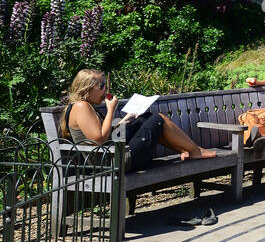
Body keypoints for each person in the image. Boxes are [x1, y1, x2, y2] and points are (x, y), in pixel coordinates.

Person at [60, 69, 217, 172]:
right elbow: (99, 139)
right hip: (112, 163)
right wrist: (111, 110)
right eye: (101, 86)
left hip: (111, 156)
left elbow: (100, 135)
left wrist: (123, 122)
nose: (105, 91)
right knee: (157, 119)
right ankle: (195, 151)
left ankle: (187, 150)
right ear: (87, 89)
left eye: (105, 86)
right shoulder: (81, 106)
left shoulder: (84, 106)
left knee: (145, 118)